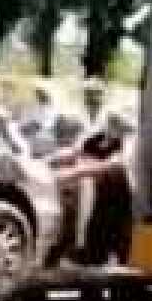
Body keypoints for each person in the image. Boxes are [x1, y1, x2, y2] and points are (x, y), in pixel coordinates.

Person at [48, 77, 138, 265]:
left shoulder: (128, 144)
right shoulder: (97, 138)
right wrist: (44, 162)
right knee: (94, 248)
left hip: (123, 207)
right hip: (100, 204)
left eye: (119, 125)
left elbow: (111, 165)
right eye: (112, 124)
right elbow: (73, 152)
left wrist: (72, 173)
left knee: (122, 255)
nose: (114, 128)